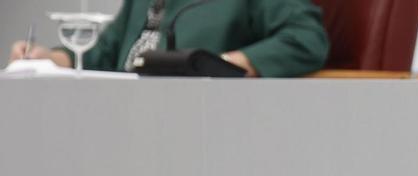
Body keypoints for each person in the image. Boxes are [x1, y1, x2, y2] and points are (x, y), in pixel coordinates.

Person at [8, 0, 328, 77]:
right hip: (116, 117)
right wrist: (49, 58)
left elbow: (306, 39)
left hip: (196, 122)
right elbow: (102, 55)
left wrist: (225, 65)